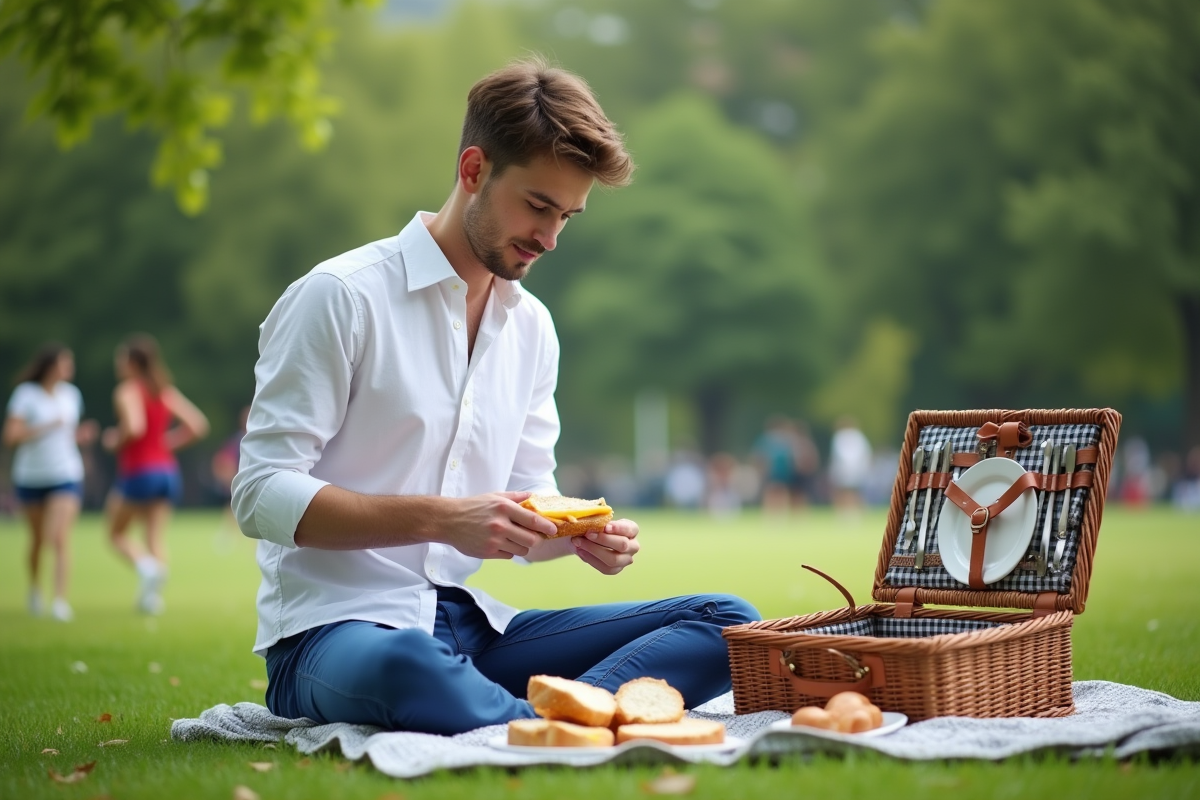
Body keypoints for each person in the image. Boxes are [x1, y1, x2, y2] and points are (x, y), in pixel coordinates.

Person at [232, 57, 760, 736]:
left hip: (475, 631)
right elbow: (259, 494)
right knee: (409, 667)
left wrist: (575, 538)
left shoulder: (532, 328)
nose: (550, 238)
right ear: (474, 170)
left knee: (728, 622)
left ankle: (554, 722)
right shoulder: (340, 298)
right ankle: (551, 724)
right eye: (538, 206)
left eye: (568, 215)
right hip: (335, 634)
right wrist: (441, 519)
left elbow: (523, 512)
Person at [102, 334, 209, 614]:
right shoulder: (164, 390)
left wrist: (115, 440)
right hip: (167, 472)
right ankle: (152, 599)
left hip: (139, 471)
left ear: (132, 362)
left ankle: (146, 568)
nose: (118, 363)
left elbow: (134, 427)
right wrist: (167, 443)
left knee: (115, 533)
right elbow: (198, 425)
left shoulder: (128, 390)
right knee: (154, 537)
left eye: (121, 358)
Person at [3, 343, 97, 621]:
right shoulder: (26, 395)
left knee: (59, 537)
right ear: (51, 365)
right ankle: (34, 589)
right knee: (37, 540)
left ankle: (59, 601)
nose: (70, 367)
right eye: (65, 362)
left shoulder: (71, 395)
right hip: (31, 476)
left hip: (65, 474)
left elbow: (68, 434)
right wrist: (47, 427)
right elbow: (11, 436)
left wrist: (81, 438)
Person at [829, 416, 872, 515]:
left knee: (846, 491)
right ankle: (851, 512)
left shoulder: (841, 437)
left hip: (847, 468)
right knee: (851, 491)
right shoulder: (858, 436)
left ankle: (847, 512)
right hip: (854, 468)